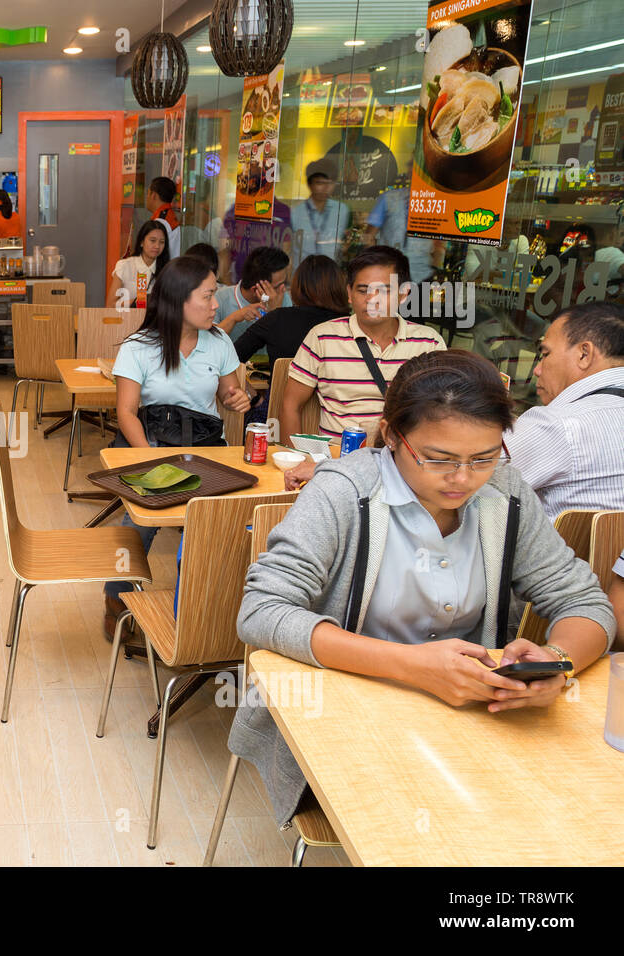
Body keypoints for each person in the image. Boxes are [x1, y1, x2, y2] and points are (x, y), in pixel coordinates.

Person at [227, 350, 616, 827]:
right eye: (438, 459)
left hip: (471, 716)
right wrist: (414, 667)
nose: (462, 479)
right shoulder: (344, 491)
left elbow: (583, 601)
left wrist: (558, 663)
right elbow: (262, 611)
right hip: (344, 712)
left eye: (484, 458)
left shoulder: (506, 493)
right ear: (392, 435)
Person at [101, 256, 253, 638]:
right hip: (151, 446)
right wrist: (154, 462)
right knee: (141, 522)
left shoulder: (219, 342)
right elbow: (127, 412)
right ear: (178, 300)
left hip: (206, 450)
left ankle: (192, 614)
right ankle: (115, 596)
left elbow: (230, 393)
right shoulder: (139, 346)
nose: (217, 305)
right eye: (208, 296)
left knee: (202, 531)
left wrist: (239, 399)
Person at [280, 246, 445, 479]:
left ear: (403, 294)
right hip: (335, 468)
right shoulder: (323, 337)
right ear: (349, 293)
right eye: (362, 290)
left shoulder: (428, 343)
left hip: (402, 470)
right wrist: (298, 464)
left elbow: (442, 413)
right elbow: (290, 404)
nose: (371, 300)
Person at [503, 301, 624, 519]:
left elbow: (468, 479)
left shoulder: (560, 425)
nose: (538, 369)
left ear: (584, 354)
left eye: (546, 354)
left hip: (566, 553)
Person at [234, 255, 348, 365]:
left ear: (298, 287)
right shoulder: (349, 324)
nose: (283, 289)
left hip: (281, 385)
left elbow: (233, 357)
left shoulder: (278, 318)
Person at [363, 185, 440, 285]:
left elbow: (438, 242)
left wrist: (436, 268)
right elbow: (368, 235)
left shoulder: (435, 201)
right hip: (390, 274)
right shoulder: (388, 198)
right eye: (412, 169)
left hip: (422, 275)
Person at [214, 246, 291, 344]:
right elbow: (209, 342)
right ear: (256, 290)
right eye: (277, 286)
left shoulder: (283, 298)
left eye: (285, 283)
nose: (283, 289)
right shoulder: (219, 298)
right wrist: (234, 318)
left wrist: (275, 314)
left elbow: (287, 343)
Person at [290, 159, 351, 266]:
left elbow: (343, 241)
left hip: (330, 273)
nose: (326, 188)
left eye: (330, 183)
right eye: (320, 183)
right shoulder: (295, 211)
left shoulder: (342, 210)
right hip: (301, 272)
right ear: (310, 184)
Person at [108, 220, 169, 308]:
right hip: (126, 319)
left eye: (162, 242)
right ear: (141, 242)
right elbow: (110, 305)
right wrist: (136, 303)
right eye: (152, 240)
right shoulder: (125, 266)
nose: (157, 246)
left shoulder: (167, 270)